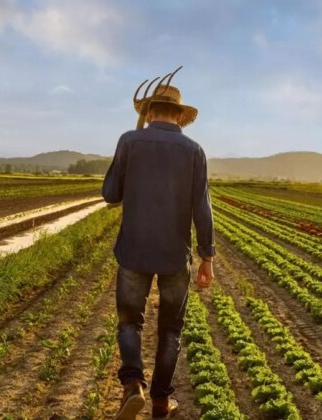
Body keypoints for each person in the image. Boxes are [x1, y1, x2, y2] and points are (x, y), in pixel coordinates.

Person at [102, 71, 215, 420]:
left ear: (149, 113)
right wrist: (206, 257)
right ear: (180, 116)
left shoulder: (129, 140)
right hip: (173, 255)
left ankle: (133, 384)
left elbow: (110, 194)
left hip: (133, 250)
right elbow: (202, 208)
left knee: (129, 322)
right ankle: (161, 401)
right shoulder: (194, 151)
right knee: (170, 329)